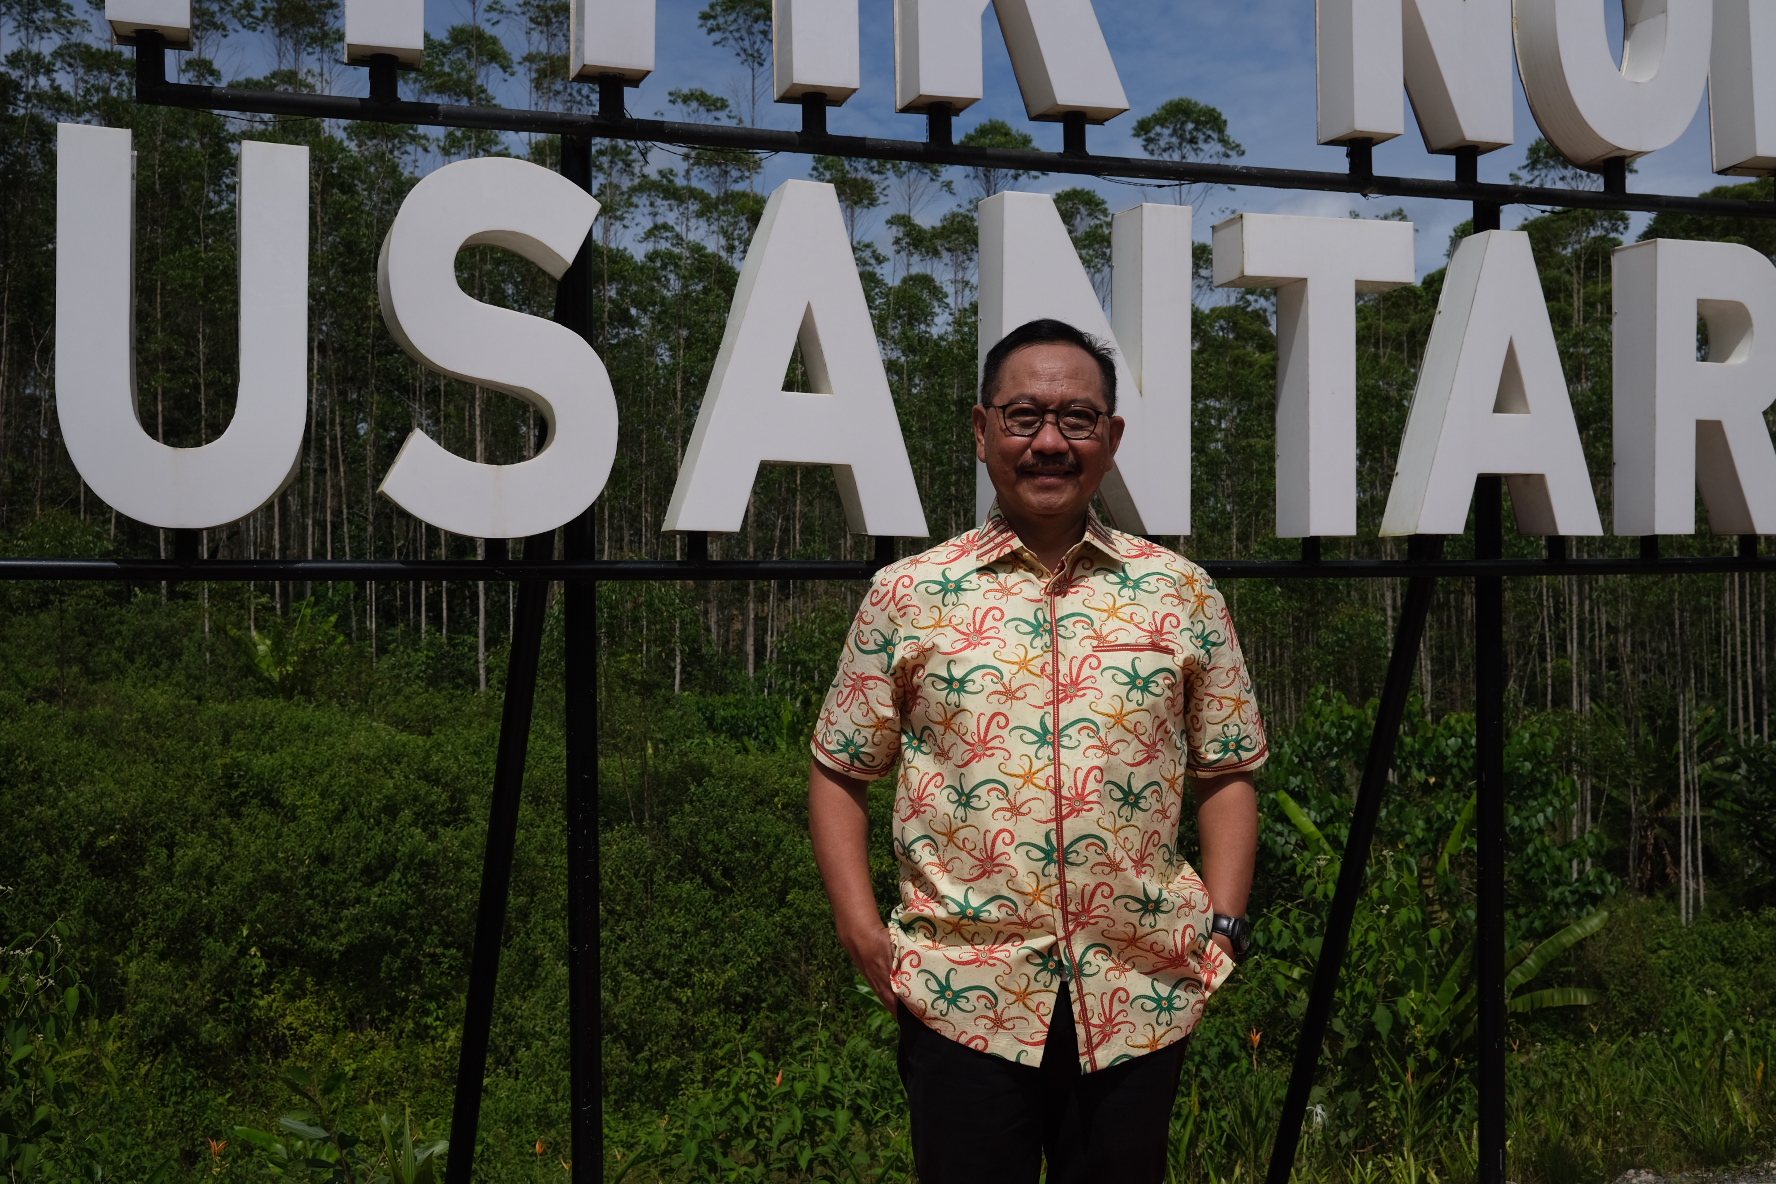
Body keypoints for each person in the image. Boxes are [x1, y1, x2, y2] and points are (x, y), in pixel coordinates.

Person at [808, 317, 1266, 1184]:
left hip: (1140, 993)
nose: (1049, 442)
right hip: (961, 997)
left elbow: (1228, 767)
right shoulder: (909, 594)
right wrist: (861, 929)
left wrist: (1226, 927)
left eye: (1076, 419)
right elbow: (841, 767)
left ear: (1111, 438)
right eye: (1024, 417)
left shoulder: (1181, 594)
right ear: (982, 431)